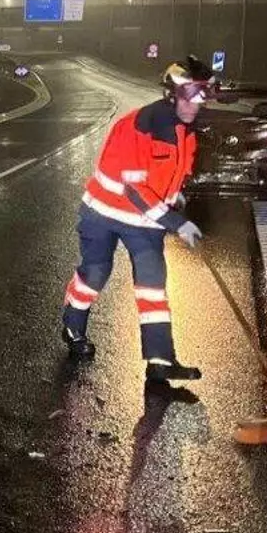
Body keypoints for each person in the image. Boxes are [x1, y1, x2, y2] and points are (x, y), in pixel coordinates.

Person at [61, 56, 215, 383]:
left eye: (203, 95)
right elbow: (135, 190)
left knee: (152, 287)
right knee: (95, 275)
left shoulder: (186, 132)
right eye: (191, 95)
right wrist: (176, 223)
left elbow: (172, 177)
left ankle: (160, 361)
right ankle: (73, 327)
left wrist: (176, 199)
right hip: (103, 215)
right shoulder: (138, 126)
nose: (196, 104)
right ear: (172, 94)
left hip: (144, 223)